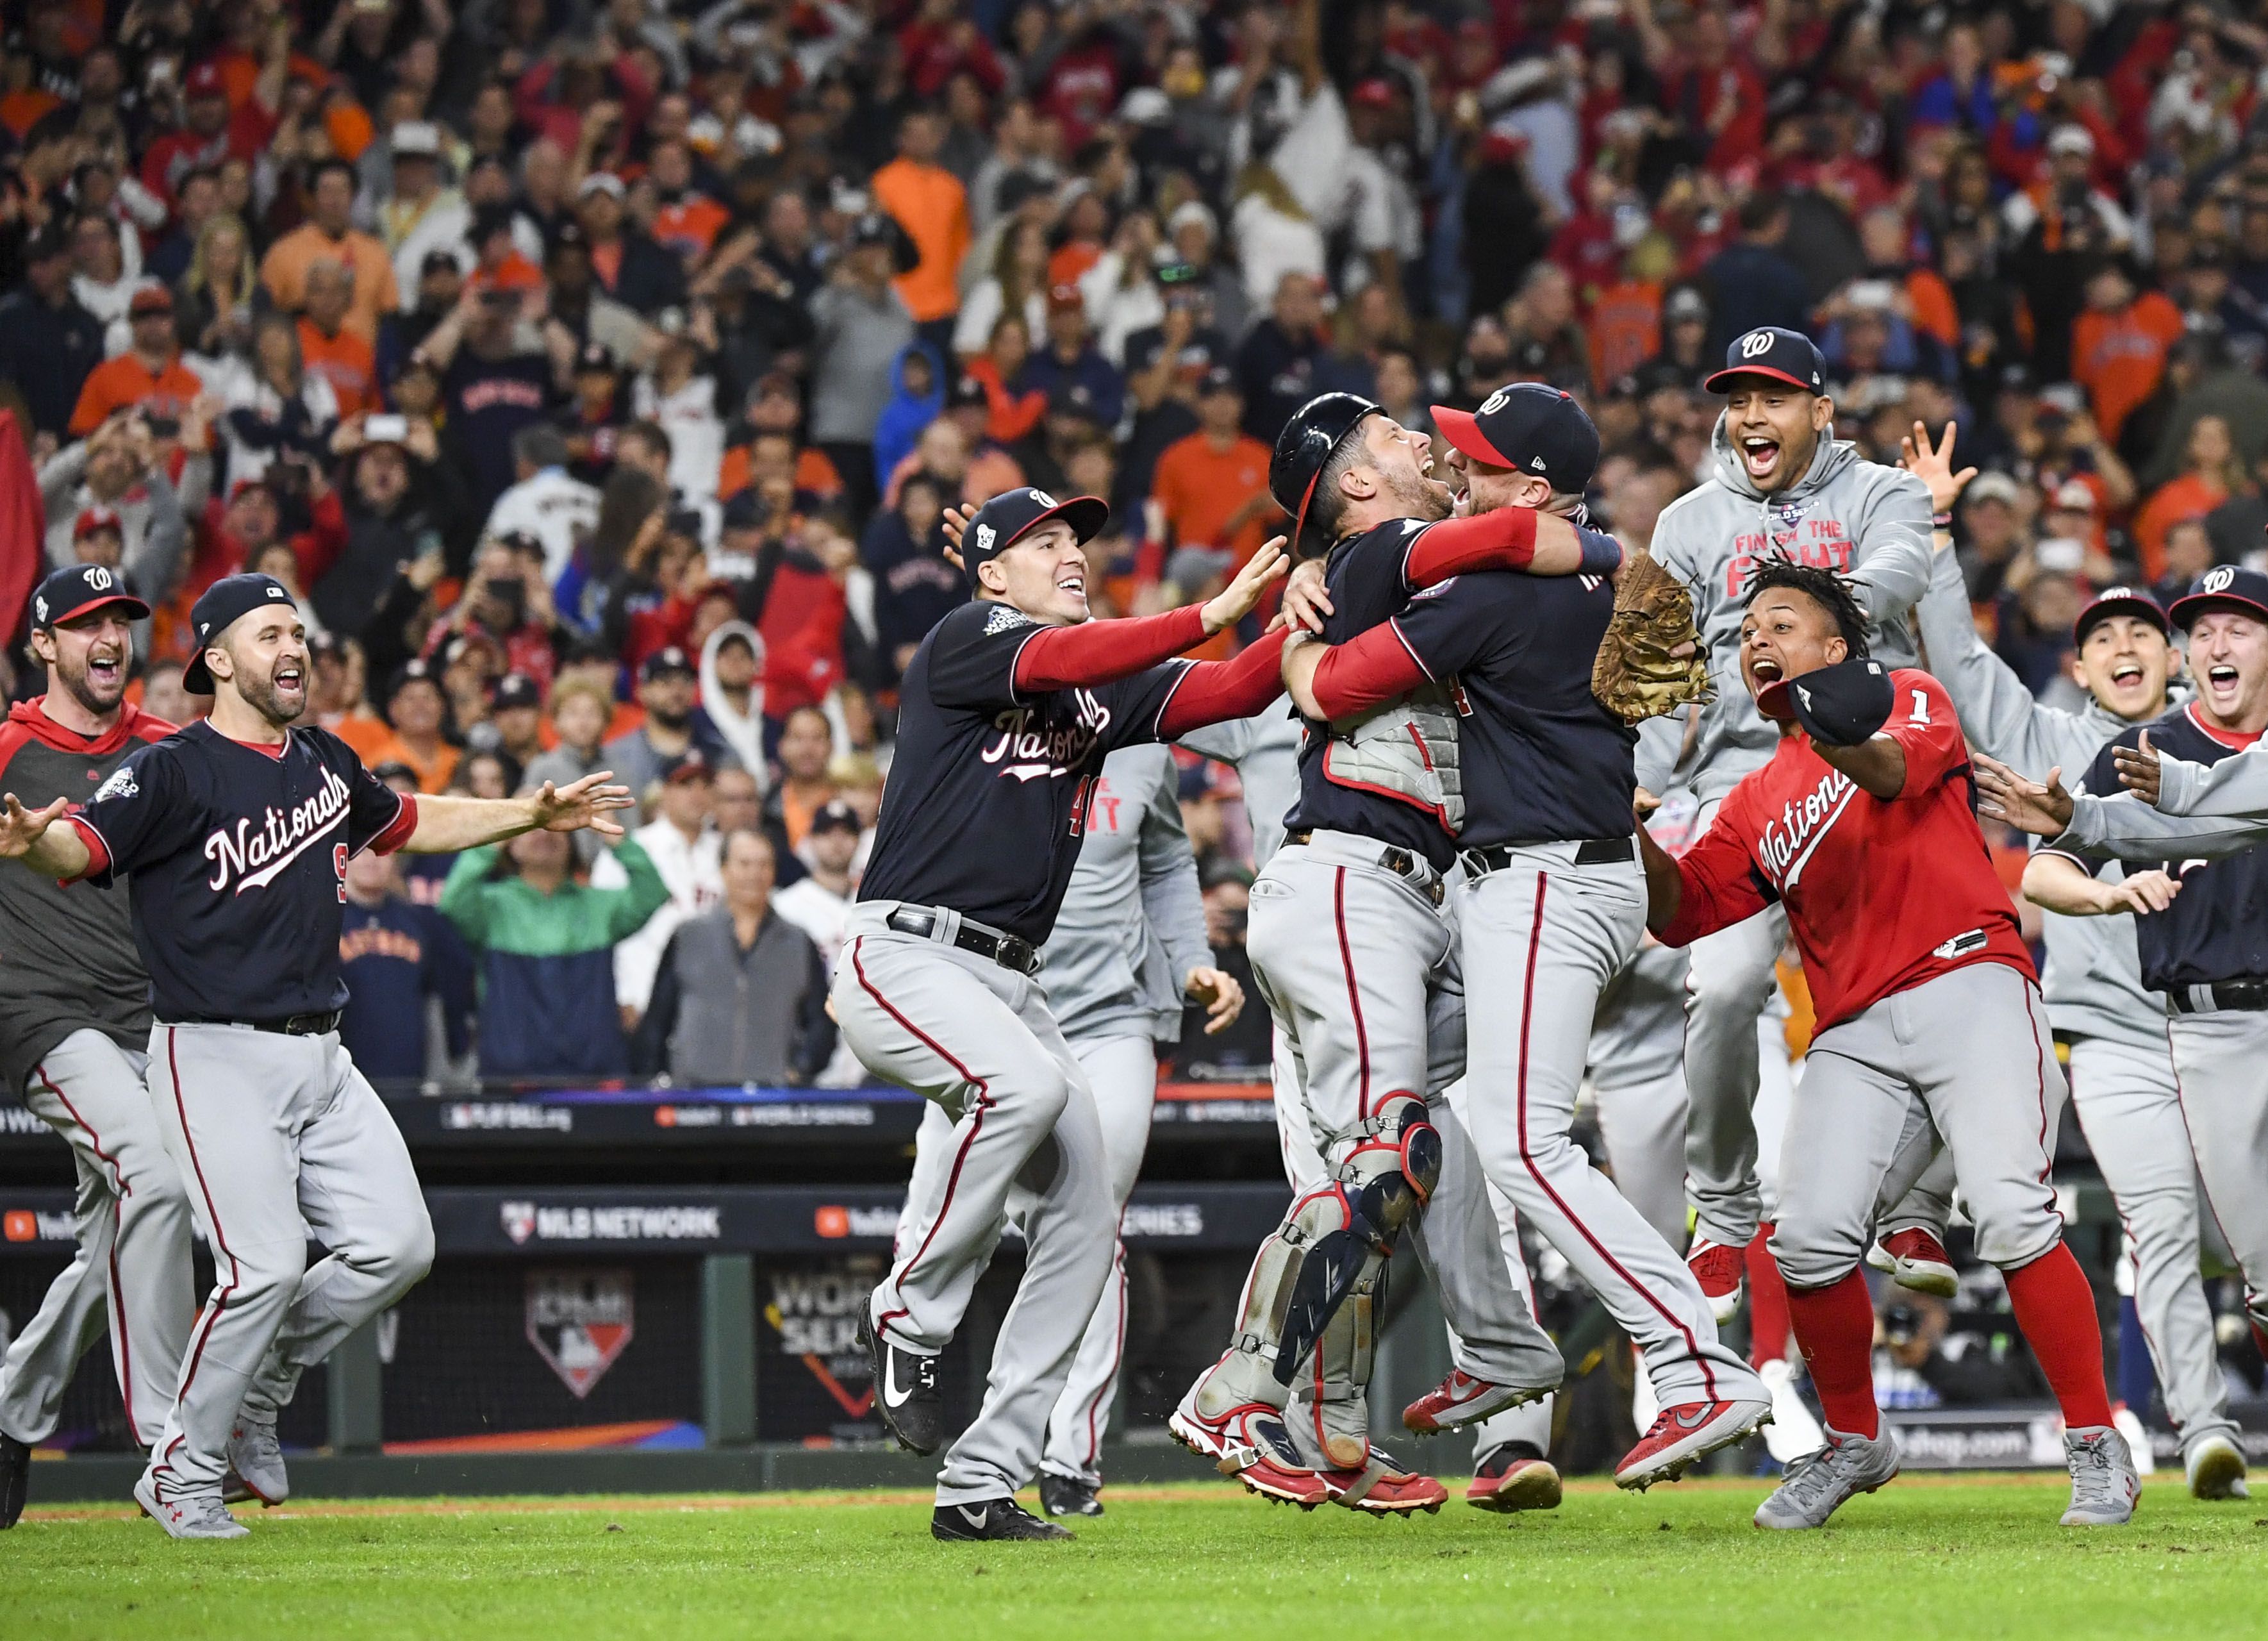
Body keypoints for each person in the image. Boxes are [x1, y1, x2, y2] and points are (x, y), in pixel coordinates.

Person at [0, 572, 633, 1538]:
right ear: (216, 660)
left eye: (297, 632)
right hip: (209, 1051)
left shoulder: (325, 761)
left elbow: (412, 823)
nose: (291, 649)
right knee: (264, 1263)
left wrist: (527, 816)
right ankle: (181, 1471)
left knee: (398, 1246)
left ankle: (256, 1394)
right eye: (267, 635)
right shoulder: (172, 767)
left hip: (321, 1055)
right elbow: (81, 848)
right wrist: (35, 845)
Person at [1229, 386, 1764, 1507]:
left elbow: (1328, 686)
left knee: (1521, 1145)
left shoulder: (1490, 594)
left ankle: (1693, 1366)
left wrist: (1291, 635)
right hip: (1564, 876)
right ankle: (1498, 1346)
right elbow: (1567, 547)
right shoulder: (1572, 575)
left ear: (1526, 487)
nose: (1452, 464)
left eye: (1476, 459)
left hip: (1540, 879)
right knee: (1407, 1118)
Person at [832, 484, 1294, 1543]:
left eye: (1077, 539)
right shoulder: (971, 635)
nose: (1069, 553)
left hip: (1010, 980)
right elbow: (1060, 661)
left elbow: (1223, 690)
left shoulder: (1099, 696)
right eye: (1043, 542)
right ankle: (909, 1322)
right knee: (1029, 1090)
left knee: (1088, 1222)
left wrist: (1305, 619)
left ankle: (981, 1483)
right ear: (993, 573)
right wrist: (1206, 610)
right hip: (904, 951)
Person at [1637, 560, 2137, 1530]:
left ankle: (2092, 1439)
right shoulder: (1749, 797)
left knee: (2007, 1210)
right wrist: (1624, 830)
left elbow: (1896, 768)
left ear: (1834, 649)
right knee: (1810, 1239)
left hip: (1968, 980)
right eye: (1744, 631)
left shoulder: (1909, 694)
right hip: (1853, 1029)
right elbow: (1682, 912)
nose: (1754, 640)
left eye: (1778, 623)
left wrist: (1826, 716)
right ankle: (1854, 1443)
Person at [1901, 427, 2248, 1502]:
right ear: (2078, 664)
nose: (2124, 647)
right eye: (2102, 638)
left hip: (2233, 1024)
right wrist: (1932, 529)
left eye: (2141, 630)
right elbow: (1954, 662)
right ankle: (2199, 1428)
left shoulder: (2229, 748)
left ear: (2176, 653)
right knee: (2155, 1229)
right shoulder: (2052, 741)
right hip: (2115, 1032)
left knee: (2233, 1243)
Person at [1637, 327, 1939, 1323]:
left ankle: (1912, 1203)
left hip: (1864, 773)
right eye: (1738, 399)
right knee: (1721, 989)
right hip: (1737, 782)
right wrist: (1635, 778)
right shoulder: (1686, 524)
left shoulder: (1880, 495)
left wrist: (1800, 616)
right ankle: (1721, 1214)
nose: (1751, 416)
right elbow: (1653, 675)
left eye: (1773, 397)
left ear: (1821, 409)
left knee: (1928, 995)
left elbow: (1898, 571)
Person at [1977, 564, 2268, 1474]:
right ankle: (2203, 1427)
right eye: (2203, 629)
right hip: (2173, 1025)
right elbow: (2067, 858)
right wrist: (2084, 832)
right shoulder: (2138, 750)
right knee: (2175, 1236)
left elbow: (2212, 813)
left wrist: (2105, 820)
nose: (2215, 644)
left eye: (2239, 627)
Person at [900, 735, 1237, 1519]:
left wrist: (1189, 957)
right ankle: (906, 1347)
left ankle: (1068, 1457)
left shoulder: (1140, 748)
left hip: (1106, 1017)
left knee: (1092, 1223)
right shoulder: (976, 729)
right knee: (939, 1204)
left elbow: (1163, 862)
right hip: (990, 1011)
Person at [0, 569, 187, 1529]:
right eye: (84, 625)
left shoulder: (164, 751)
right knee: (156, 1181)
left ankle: (9, 1407)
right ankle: (172, 1448)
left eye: (119, 620)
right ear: (44, 645)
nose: (108, 637)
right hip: (42, 1015)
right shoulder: (5, 750)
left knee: (120, 1231)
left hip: (150, 1023)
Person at [633, 829, 834, 1085]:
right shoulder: (689, 936)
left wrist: (800, 1070)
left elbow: (822, 1023)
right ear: (724, 869)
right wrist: (660, 1079)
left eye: (764, 864)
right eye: (744, 864)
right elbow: (657, 1020)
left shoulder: (799, 942)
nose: (754, 874)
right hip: (695, 1097)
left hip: (772, 1101)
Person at [338, 844, 473, 1083]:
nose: (373, 859)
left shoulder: (417, 922)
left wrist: (439, 1073)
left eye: (381, 850)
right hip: (345, 1078)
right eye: (361, 851)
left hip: (408, 1077)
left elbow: (435, 1004)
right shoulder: (327, 922)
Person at [612, 751, 723, 1022]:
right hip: (643, 999)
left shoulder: (728, 852)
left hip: (714, 1003)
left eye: (705, 785)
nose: (697, 795)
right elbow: (608, 928)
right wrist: (622, 996)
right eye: (686, 785)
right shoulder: (632, 849)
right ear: (664, 793)